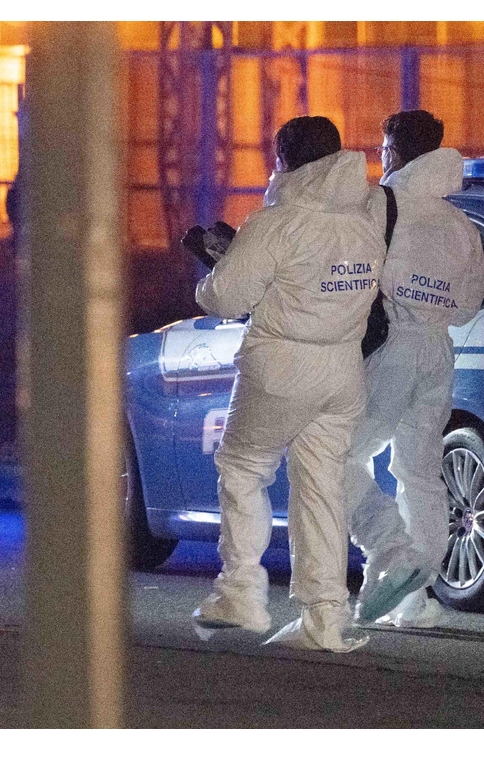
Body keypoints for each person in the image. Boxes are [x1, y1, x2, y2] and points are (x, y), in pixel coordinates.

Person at [192, 116, 386, 652]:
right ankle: (324, 619)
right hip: (343, 370)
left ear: (285, 162)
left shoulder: (276, 224)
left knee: (243, 468)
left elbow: (225, 298)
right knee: (322, 487)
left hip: (281, 366)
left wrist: (215, 273)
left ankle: (240, 594)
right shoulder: (364, 222)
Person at [345, 110, 484, 628]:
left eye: (383, 150)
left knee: (334, 455)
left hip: (393, 348)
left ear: (397, 153)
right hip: (439, 352)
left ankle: (391, 552)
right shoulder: (460, 224)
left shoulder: (380, 204)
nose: (381, 159)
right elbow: (468, 306)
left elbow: (350, 275)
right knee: (420, 472)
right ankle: (416, 598)